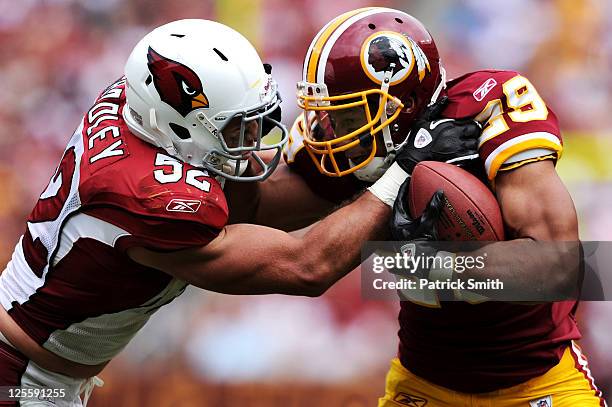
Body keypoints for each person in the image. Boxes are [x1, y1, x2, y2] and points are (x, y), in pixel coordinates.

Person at [0, 18, 460, 407]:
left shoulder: (143, 107)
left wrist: (365, 164)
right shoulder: (144, 195)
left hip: (41, 369)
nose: (252, 138)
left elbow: (253, 203)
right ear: (180, 126)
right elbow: (306, 266)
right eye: (237, 126)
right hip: (21, 377)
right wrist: (403, 171)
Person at [276, 7, 606, 407]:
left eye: (348, 115)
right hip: (423, 385)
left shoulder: (484, 108)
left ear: (403, 103)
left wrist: (436, 265)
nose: (336, 133)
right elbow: (263, 222)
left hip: (539, 383)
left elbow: (561, 266)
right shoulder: (364, 147)